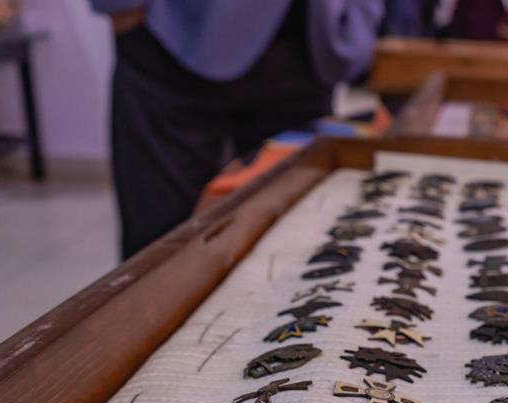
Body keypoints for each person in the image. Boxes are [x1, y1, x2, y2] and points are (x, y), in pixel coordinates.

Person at [91, 0, 384, 258]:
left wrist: (363, 17)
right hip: (176, 38)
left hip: (311, 47)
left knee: (296, 241)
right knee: (160, 244)